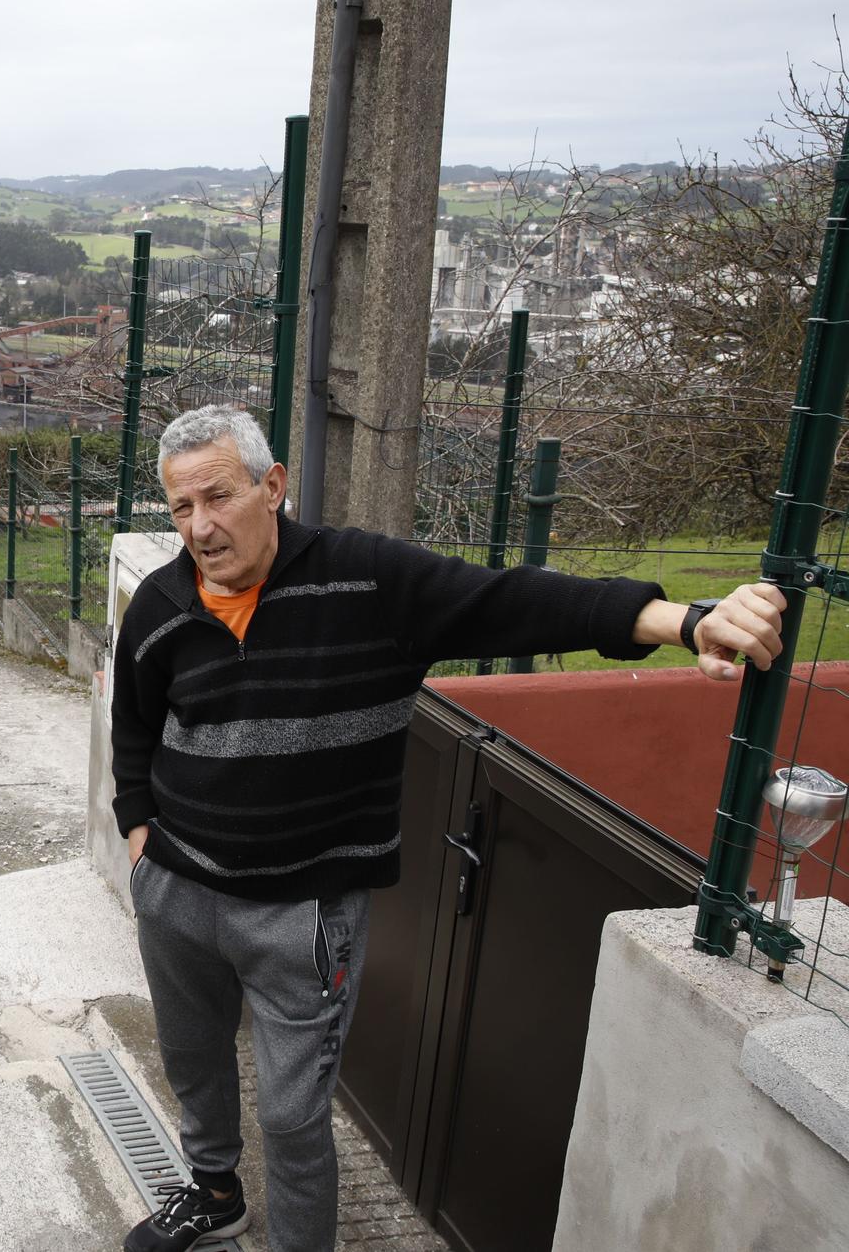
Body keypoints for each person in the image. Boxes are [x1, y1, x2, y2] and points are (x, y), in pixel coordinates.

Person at [110, 403, 785, 1252]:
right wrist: (139, 834)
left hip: (304, 915)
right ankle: (213, 1191)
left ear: (271, 485)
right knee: (194, 1062)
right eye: (182, 508)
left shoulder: (369, 584)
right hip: (178, 891)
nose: (202, 527)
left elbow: (514, 601)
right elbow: (133, 727)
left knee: (292, 1116)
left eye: (218, 497)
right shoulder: (163, 604)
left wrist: (683, 620)